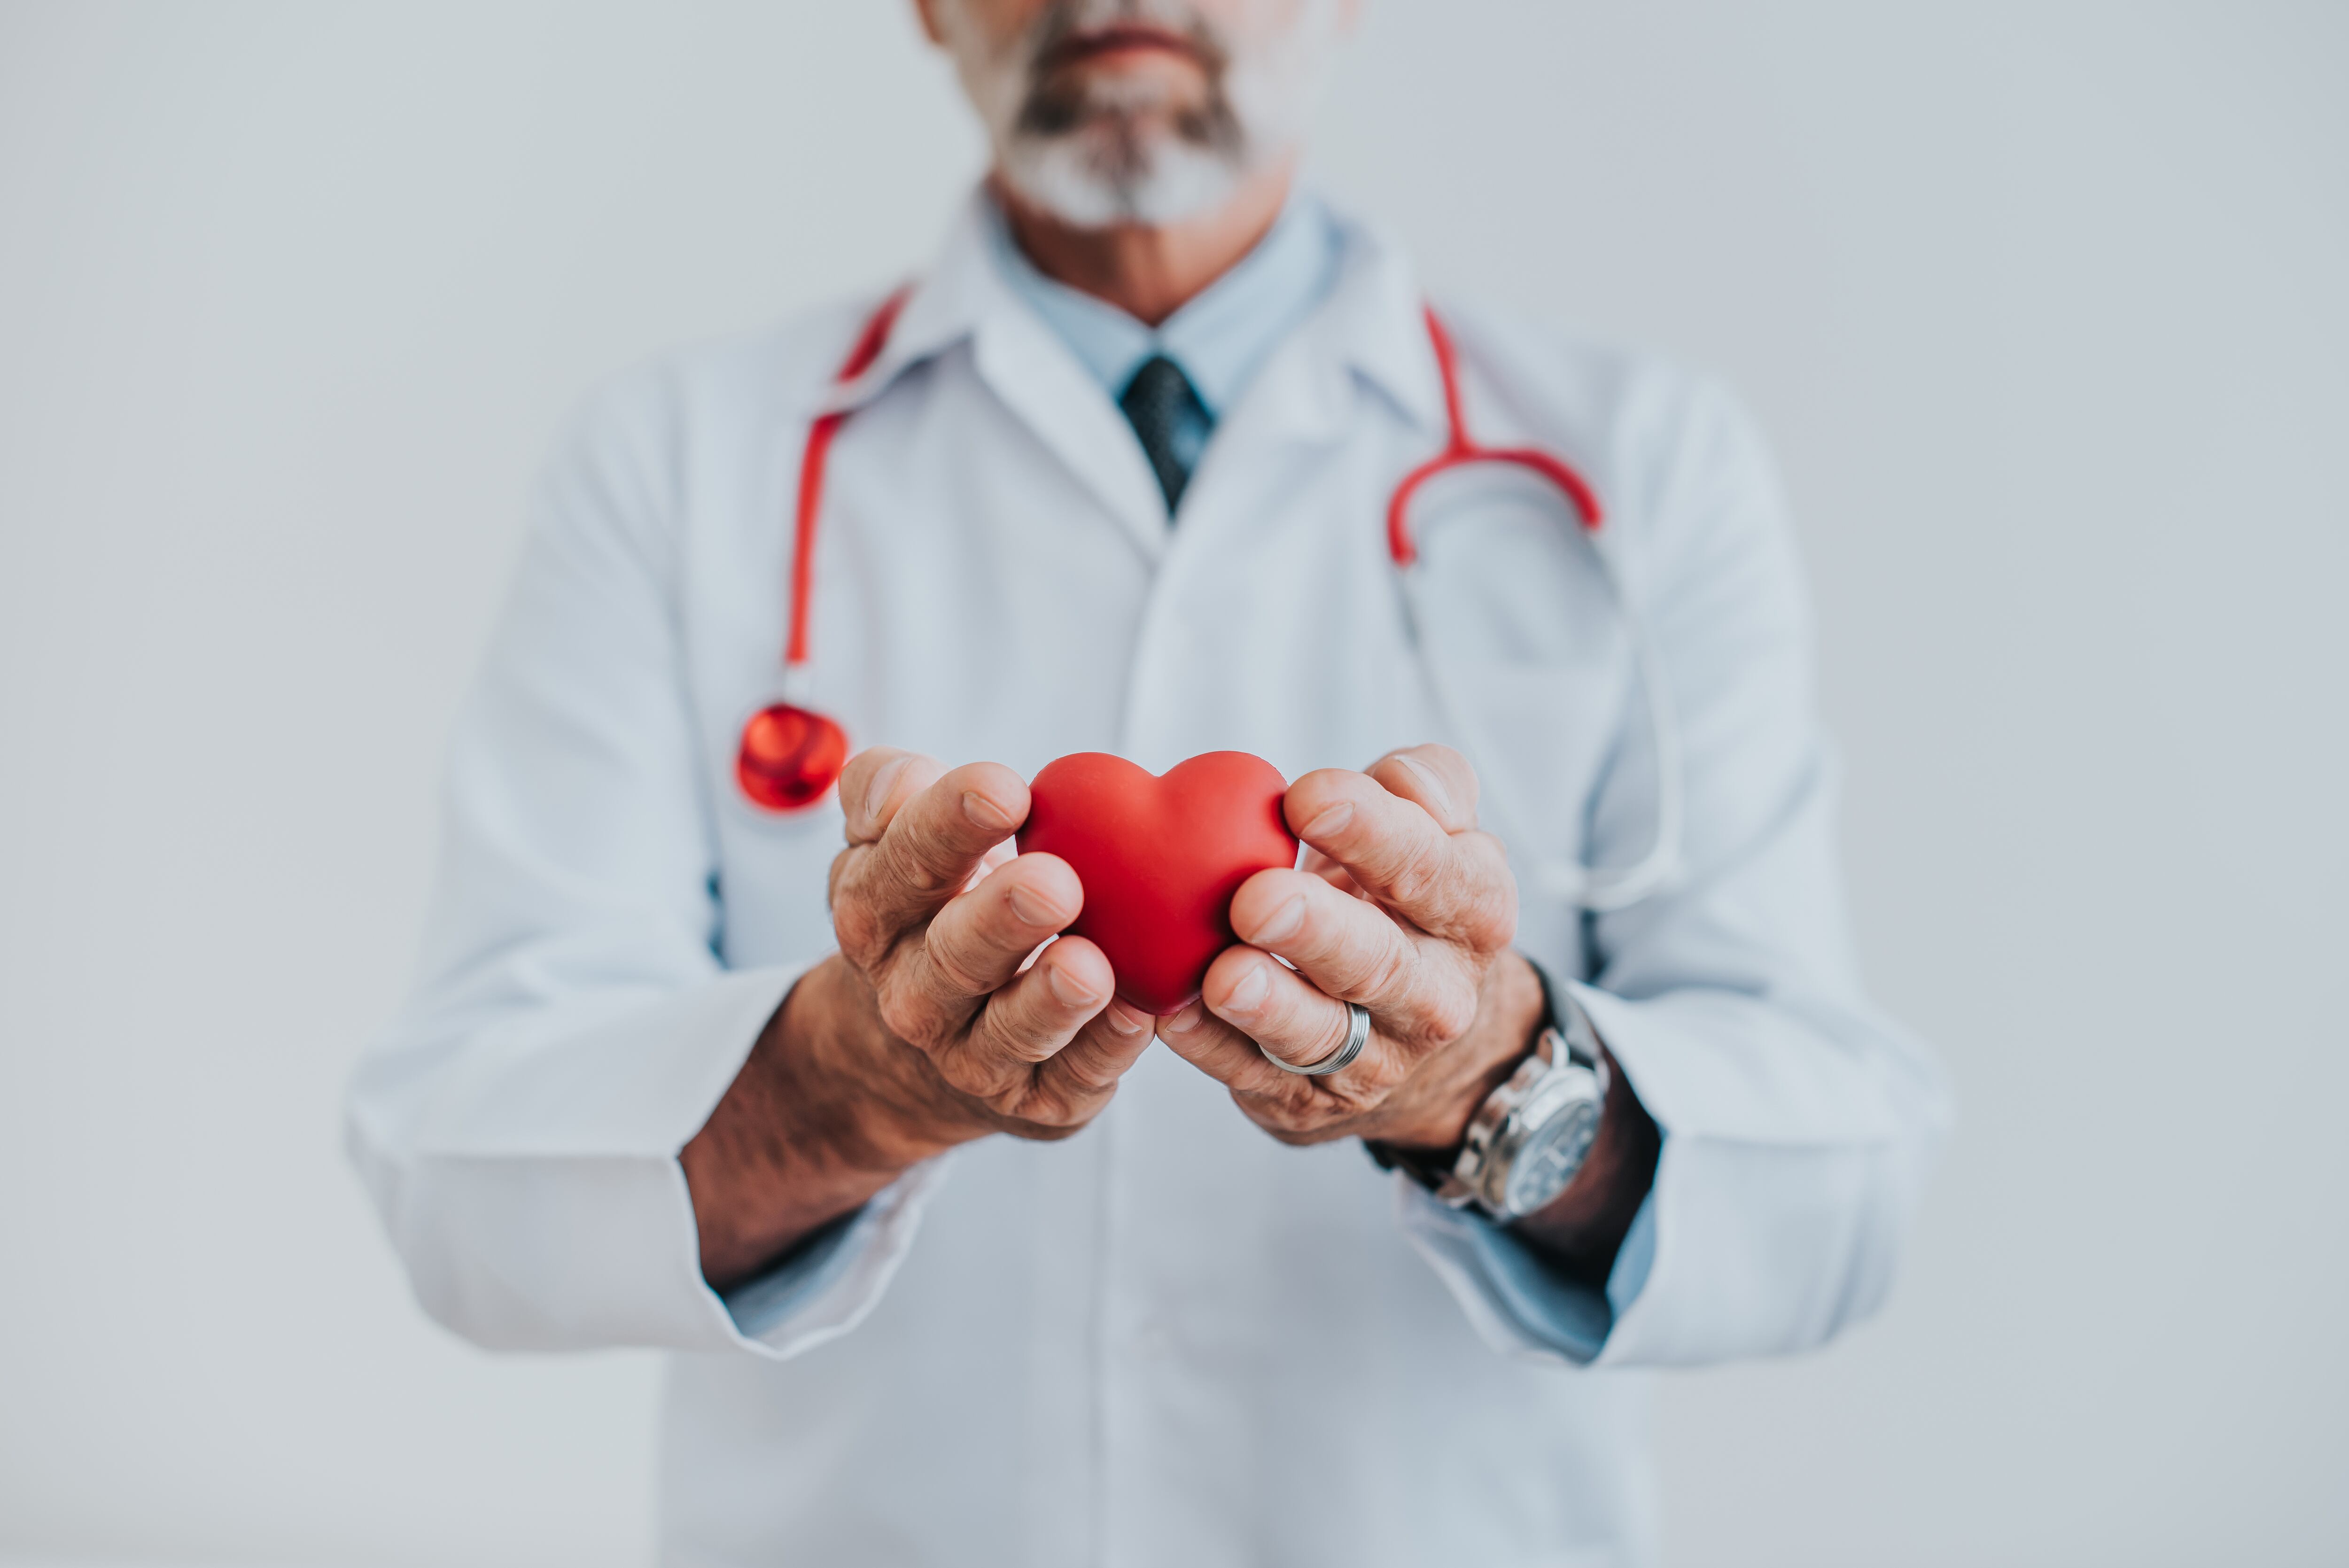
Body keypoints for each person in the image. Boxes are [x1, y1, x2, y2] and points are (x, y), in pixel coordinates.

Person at [346, 0, 1949, 1561]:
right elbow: (463, 1186)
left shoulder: (1645, 465)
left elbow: (1837, 1200)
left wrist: (1481, 1078)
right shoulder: (675, 464)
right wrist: (850, 1085)